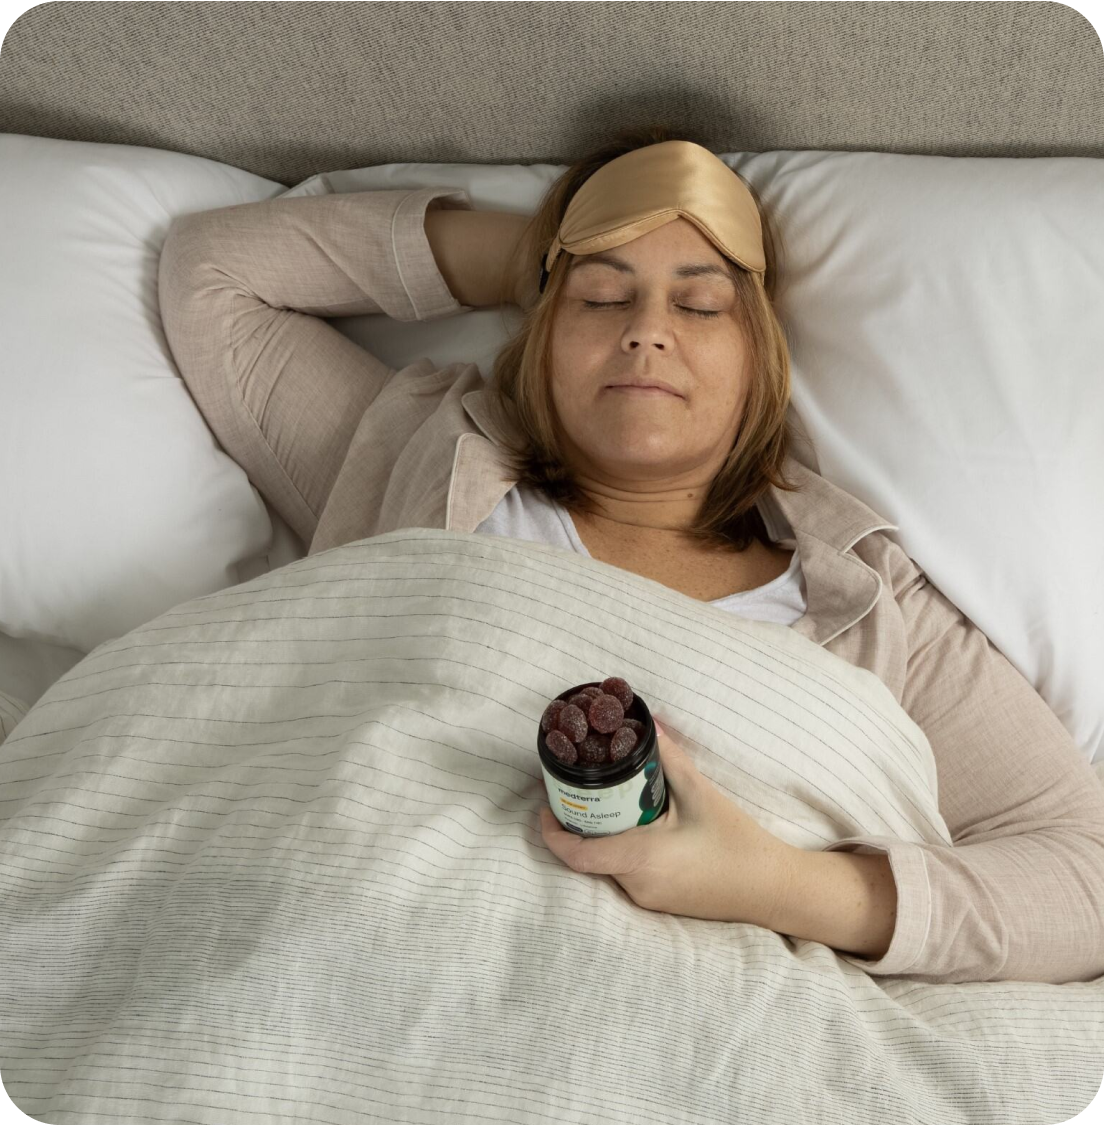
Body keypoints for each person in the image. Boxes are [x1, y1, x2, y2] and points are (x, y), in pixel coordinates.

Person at [156, 123, 1104, 986]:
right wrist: (530, 254)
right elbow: (211, 275)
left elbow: (1085, 878)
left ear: (761, 363)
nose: (646, 326)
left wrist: (773, 882)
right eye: (603, 294)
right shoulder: (415, 463)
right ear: (541, 335)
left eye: (700, 306)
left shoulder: (864, 598)